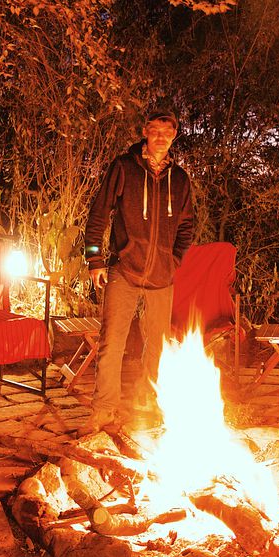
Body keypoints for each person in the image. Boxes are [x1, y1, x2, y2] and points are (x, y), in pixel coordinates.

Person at [81, 108, 196, 435]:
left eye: (167, 132)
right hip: (124, 271)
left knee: (156, 345)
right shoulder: (124, 168)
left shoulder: (180, 179)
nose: (161, 137)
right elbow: (98, 216)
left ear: (174, 135)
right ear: (145, 131)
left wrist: (175, 260)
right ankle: (103, 412)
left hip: (162, 277)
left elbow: (187, 226)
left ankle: (147, 405)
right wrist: (95, 260)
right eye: (155, 131)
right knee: (112, 344)